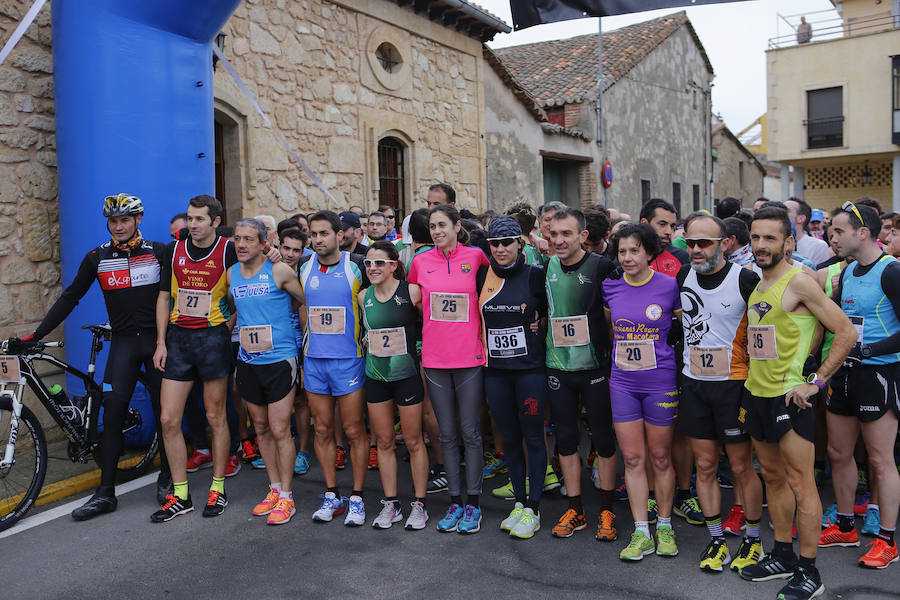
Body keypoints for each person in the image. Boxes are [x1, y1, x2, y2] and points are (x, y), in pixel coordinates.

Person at [8, 194, 170, 519]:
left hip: (157, 343)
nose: (119, 226)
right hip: (123, 343)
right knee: (110, 415)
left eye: (125, 220)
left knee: (164, 413)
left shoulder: (159, 252)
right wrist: (35, 335)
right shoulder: (97, 257)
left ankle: (167, 478)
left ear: (138, 219)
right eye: (113, 221)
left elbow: (185, 285)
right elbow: (71, 297)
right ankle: (105, 493)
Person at [738, 207, 857, 600]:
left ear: (789, 242)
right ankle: (783, 555)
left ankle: (809, 571)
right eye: (755, 237)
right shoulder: (757, 285)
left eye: (770, 238)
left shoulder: (800, 282)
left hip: (790, 398)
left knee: (801, 484)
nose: (760, 245)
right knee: (772, 477)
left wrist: (816, 383)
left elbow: (844, 332)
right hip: (758, 394)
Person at [676, 213, 765, 573]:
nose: (695, 250)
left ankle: (753, 539)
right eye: (690, 242)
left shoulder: (746, 279)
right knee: (705, 465)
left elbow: (766, 332)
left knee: (742, 467)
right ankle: (716, 541)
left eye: (704, 243)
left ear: (724, 243)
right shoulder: (683, 276)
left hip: (734, 386)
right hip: (694, 384)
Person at [819, 201, 900, 569]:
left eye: (838, 231)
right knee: (839, 453)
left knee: (880, 461)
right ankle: (846, 527)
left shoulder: (891, 271)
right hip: (845, 373)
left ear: (862, 233)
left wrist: (867, 349)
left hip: (879, 374)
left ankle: (886, 540)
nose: (831, 237)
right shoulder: (848, 270)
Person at [151, 195, 240, 522]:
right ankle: (181, 494)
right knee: (168, 419)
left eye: (200, 219)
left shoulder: (228, 249)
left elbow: (239, 288)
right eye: (190, 218)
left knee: (216, 417)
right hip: (179, 339)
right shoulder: (173, 250)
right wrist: (161, 342)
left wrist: (228, 325)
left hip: (212, 338)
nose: (193, 224)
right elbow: (163, 296)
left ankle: (218, 487)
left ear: (216, 221)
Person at [602, 223, 682, 560]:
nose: (627, 257)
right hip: (622, 382)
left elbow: (681, 329)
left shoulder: (668, 286)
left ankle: (664, 525)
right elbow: (610, 330)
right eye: (622, 251)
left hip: (660, 381)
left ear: (650, 252)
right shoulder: (610, 288)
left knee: (661, 457)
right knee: (633, 458)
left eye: (635, 250)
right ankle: (641, 532)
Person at [407, 204, 489, 534]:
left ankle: (474, 505)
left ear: (457, 226)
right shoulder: (420, 262)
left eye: (443, 225)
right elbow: (411, 300)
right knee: (447, 435)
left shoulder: (476, 258)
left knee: (471, 434)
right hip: (436, 360)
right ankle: (455, 501)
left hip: (470, 357)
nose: (437, 230)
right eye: (432, 226)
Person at [541, 208, 619, 541]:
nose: (558, 240)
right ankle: (575, 510)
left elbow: (621, 310)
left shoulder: (602, 267)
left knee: (602, 439)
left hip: (595, 368)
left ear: (583, 236)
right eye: (554, 233)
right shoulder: (545, 267)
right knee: (567, 441)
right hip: (558, 367)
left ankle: (606, 511)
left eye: (566, 234)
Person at [227, 219, 305, 525]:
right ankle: (273, 489)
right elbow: (232, 305)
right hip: (248, 361)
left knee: (279, 428)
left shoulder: (280, 270)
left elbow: (305, 300)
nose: (242, 244)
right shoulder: (231, 273)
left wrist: (303, 337)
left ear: (263, 244)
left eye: (248, 239)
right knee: (259, 427)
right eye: (237, 239)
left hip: (280, 359)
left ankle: (287, 497)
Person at [475, 217, 548, 539]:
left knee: (532, 437)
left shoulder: (535, 276)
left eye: (507, 242)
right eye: (495, 243)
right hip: (496, 373)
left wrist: (539, 327)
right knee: (510, 440)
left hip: (530, 371)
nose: (501, 248)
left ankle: (534, 507)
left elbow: (550, 314)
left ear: (521, 243)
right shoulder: (482, 275)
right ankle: (519, 502)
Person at [298, 210, 370, 526]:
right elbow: (299, 305)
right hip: (314, 361)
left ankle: (356, 498)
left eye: (323, 234)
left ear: (339, 236)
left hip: (348, 361)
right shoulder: (304, 267)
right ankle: (331, 495)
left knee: (353, 430)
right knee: (323, 429)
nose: (317, 240)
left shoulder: (355, 267)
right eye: (313, 234)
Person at [359, 241, 429, 530]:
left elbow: (430, 325)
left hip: (407, 376)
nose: (373, 268)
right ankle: (391, 504)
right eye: (368, 264)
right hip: (376, 376)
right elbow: (367, 330)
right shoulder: (364, 296)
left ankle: (420, 505)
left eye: (379, 263)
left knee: (413, 441)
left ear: (393, 265)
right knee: (385, 442)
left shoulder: (411, 292)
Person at [277, 228, 312, 475]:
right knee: (275, 399)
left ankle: (303, 451)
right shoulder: (268, 269)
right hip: (273, 341)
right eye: (286, 248)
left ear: (303, 252)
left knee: (300, 399)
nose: (290, 254)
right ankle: (279, 450)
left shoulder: (305, 273)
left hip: (299, 341)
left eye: (296, 250)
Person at [640, 199, 689, 277]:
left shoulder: (682, 257)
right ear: (644, 223)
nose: (669, 231)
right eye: (662, 224)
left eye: (672, 226)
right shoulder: (627, 258)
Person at [786, 199, 832, 266]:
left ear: (800, 218)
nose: (780, 213)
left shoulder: (819, 246)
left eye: (786, 210)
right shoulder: (776, 244)